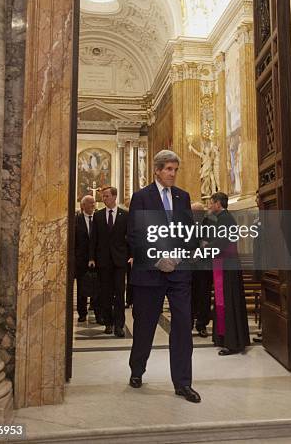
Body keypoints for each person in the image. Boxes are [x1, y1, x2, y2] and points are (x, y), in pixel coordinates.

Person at [128, 150, 201, 403]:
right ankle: (137, 369)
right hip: (150, 273)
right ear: (157, 170)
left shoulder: (183, 197)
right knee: (144, 326)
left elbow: (189, 234)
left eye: (175, 170)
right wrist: (158, 260)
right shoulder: (141, 198)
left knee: (182, 326)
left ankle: (183, 383)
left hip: (179, 273)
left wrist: (178, 257)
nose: (173, 174)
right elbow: (135, 236)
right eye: (169, 169)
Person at [208, 192, 250, 355]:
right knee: (224, 300)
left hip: (226, 265)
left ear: (218, 203)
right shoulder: (223, 218)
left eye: (211, 203)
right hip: (224, 264)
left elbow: (221, 242)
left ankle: (231, 342)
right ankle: (226, 338)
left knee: (228, 300)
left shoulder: (225, 219)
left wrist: (204, 248)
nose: (210, 206)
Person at [89, 186, 129, 338]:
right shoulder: (98, 216)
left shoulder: (125, 215)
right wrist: (91, 258)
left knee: (119, 294)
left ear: (114, 197)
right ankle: (108, 323)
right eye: (103, 196)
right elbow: (93, 239)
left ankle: (119, 325)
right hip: (103, 261)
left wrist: (131, 255)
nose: (103, 199)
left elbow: (129, 237)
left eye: (106, 196)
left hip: (119, 261)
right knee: (105, 294)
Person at [75, 195, 101, 323]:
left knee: (97, 287)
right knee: (81, 288)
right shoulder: (76, 220)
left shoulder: (98, 218)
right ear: (83, 205)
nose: (93, 205)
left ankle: (97, 311)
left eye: (94, 203)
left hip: (97, 259)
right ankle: (82, 313)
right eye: (90, 203)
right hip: (81, 260)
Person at [191, 202, 213, 338]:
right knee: (190, 296)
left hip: (204, 267)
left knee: (204, 296)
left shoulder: (209, 224)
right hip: (190, 267)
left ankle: (202, 324)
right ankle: (188, 322)